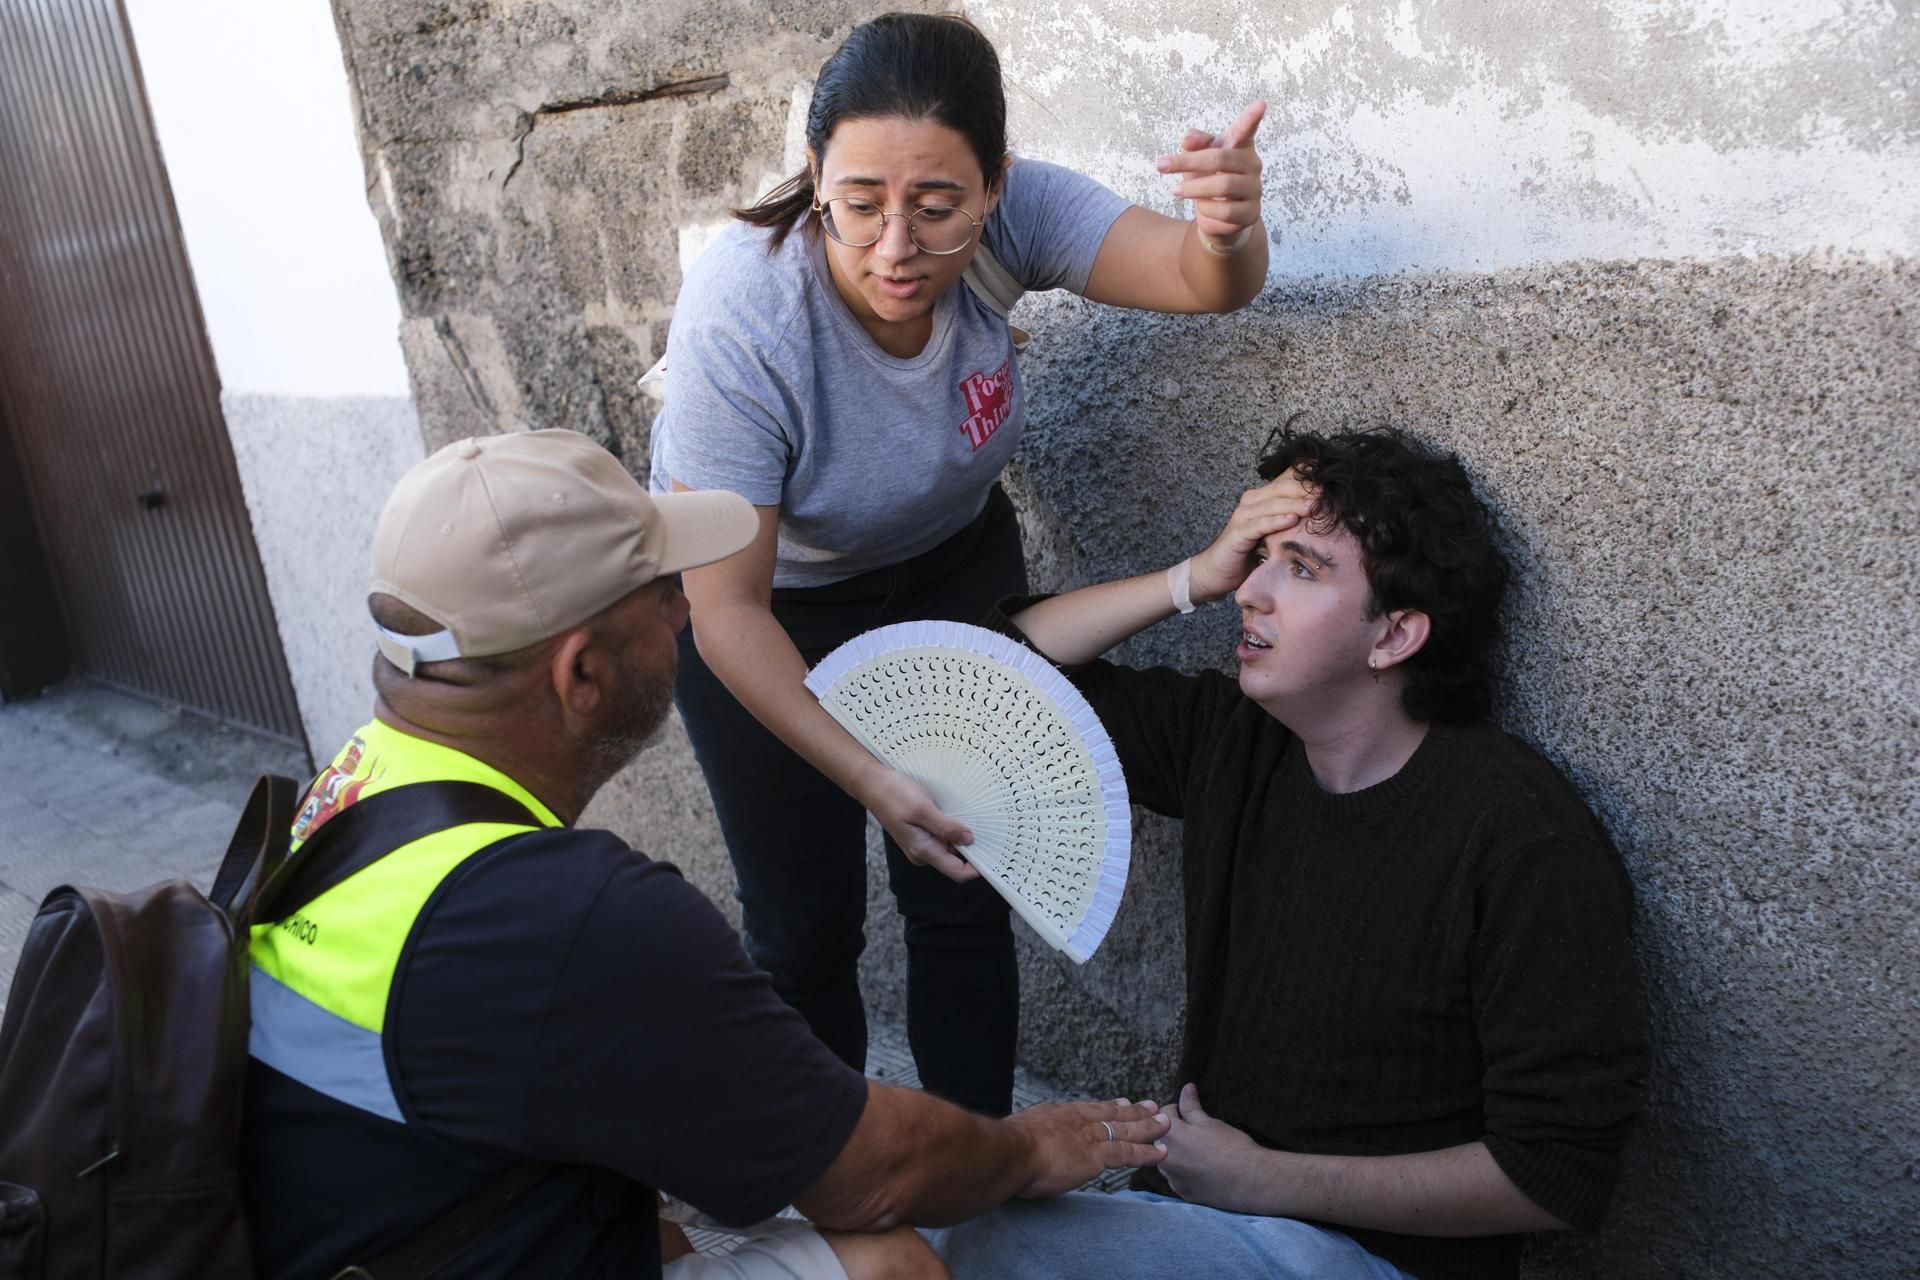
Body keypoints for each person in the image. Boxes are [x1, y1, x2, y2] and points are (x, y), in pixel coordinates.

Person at [240, 430, 1171, 1280]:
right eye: (661, 594)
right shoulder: (573, 914)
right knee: (888, 1263)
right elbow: (873, 1173)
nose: (687, 613)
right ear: (582, 673)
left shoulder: (354, 785)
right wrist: (1025, 1149)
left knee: (669, 1228)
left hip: (355, 1231)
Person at [654, 10, 1270, 1118]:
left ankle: (974, 1165)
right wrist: (868, 774)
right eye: (859, 203)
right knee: (803, 927)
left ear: (994, 187)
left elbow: (1203, 279)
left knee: (963, 886)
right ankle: (831, 1180)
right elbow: (727, 612)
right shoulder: (743, 316)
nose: (897, 246)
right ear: (815, 173)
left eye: (937, 208)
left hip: (946, 569)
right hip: (767, 610)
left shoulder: (1018, 217)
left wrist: (1227, 229)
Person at [927, 427, 1649, 1279]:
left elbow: (1556, 1176)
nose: (1249, 591)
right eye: (1258, 558)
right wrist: (1191, 577)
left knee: (979, 1246)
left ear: (1394, 636)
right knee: (924, 1217)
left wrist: (1264, 1180)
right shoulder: (1233, 739)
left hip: (1379, 1261)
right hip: (1209, 1220)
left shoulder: (1519, 839)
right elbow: (997, 675)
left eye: (1301, 569)